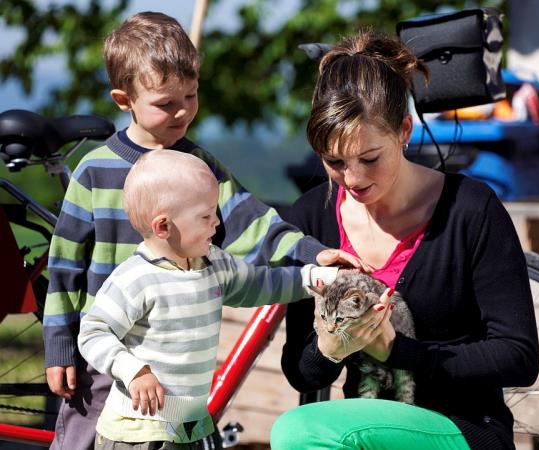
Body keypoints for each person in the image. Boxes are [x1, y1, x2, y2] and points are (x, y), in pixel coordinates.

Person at [43, 11, 361, 450]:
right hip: (110, 353)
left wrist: (310, 252)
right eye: (164, 102)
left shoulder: (201, 168)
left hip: (177, 359)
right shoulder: (94, 172)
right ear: (124, 99)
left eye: (190, 96)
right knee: (88, 437)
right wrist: (59, 346)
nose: (182, 111)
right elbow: (65, 269)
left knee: (175, 435)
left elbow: (251, 220)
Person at [271, 30, 539, 450]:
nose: (354, 179)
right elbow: (300, 374)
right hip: (363, 428)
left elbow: (519, 356)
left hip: (463, 426)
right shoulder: (311, 216)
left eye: (370, 158)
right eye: (334, 161)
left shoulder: (471, 209)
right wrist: (327, 348)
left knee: (300, 432)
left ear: (403, 131)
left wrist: (397, 351)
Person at [77, 150, 339, 449]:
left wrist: (314, 279)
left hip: (191, 426)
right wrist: (133, 370)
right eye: (205, 215)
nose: (217, 222)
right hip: (139, 433)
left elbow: (260, 283)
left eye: (215, 211)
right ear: (163, 227)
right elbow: (93, 332)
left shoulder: (212, 264)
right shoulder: (135, 278)